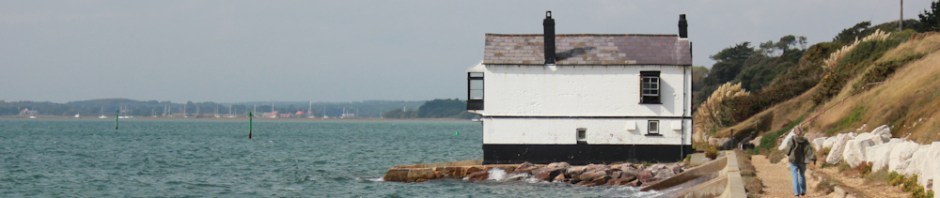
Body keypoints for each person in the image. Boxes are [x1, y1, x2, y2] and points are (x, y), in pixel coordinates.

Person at [784, 124, 816, 197]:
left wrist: (788, 153)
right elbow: (809, 151)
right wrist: (812, 157)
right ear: (802, 132)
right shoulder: (805, 140)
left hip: (793, 160)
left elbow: (787, 150)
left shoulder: (792, 139)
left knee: (794, 176)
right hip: (802, 161)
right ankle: (803, 190)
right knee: (802, 175)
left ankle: (796, 193)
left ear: (794, 132)